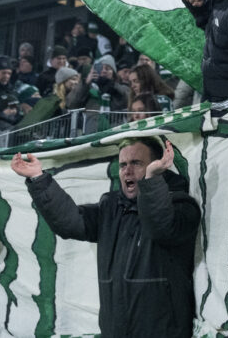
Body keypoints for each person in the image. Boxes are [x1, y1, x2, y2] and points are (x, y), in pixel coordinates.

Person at [11, 138, 199, 337]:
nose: (127, 170)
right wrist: (38, 179)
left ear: (157, 165)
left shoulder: (182, 206)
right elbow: (70, 223)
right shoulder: (110, 207)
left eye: (136, 163)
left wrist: (152, 179)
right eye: (123, 165)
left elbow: (160, 227)